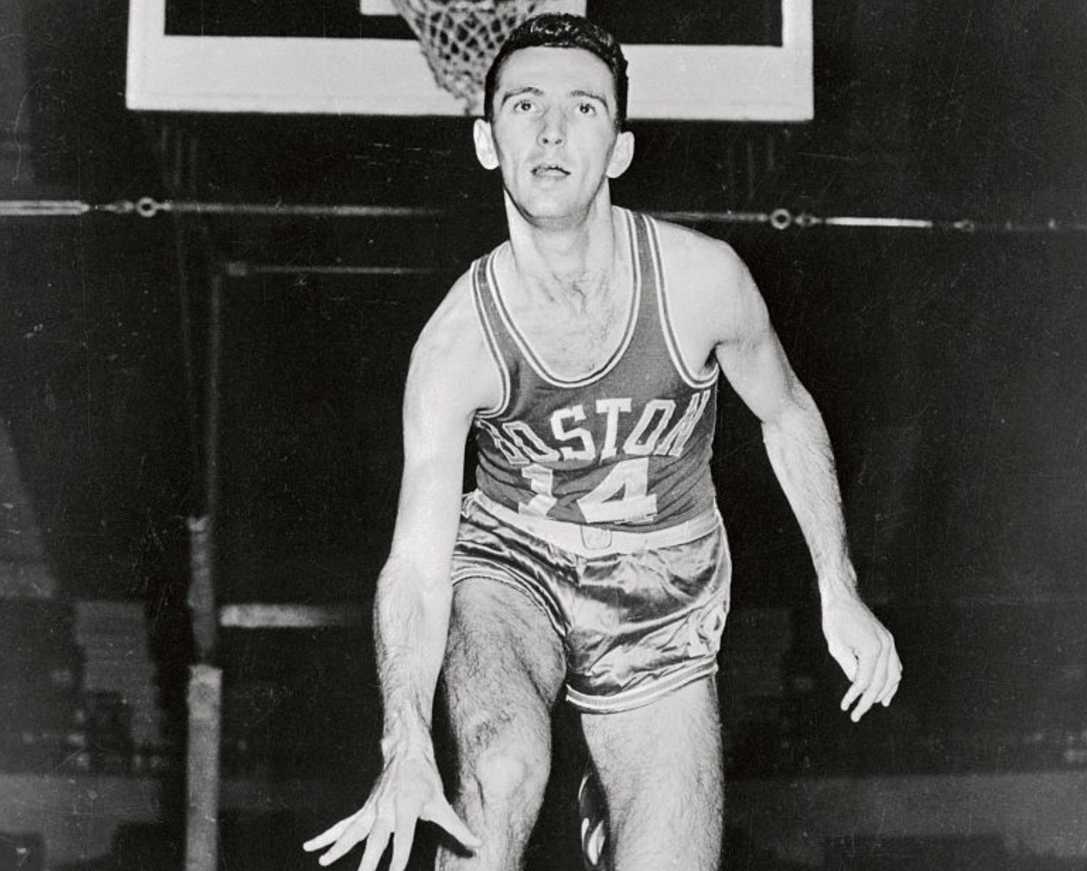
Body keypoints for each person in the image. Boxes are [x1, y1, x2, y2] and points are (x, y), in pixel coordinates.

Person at [303, 13, 901, 871]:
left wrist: (837, 586)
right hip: (517, 569)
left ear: (619, 147)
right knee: (502, 769)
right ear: (486, 139)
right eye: (524, 105)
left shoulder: (701, 282)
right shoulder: (457, 342)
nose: (551, 130)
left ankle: (608, 780)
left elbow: (788, 412)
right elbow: (417, 565)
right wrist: (405, 743)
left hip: (664, 595)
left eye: (583, 108)